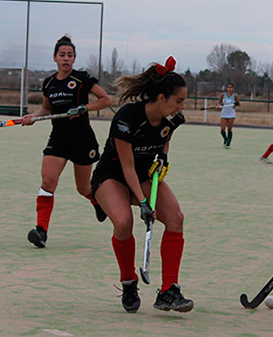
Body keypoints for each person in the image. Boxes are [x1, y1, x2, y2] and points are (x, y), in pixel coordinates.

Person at [90, 56, 194, 313]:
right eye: (178, 101)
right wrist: (144, 203)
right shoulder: (127, 118)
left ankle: (168, 290)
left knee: (176, 218)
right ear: (161, 98)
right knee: (124, 222)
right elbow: (126, 167)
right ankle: (128, 281)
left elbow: (164, 139)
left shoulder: (172, 119)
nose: (182, 106)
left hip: (144, 175)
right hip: (112, 176)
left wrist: (163, 157)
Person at [21, 35, 112, 248]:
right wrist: (32, 117)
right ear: (54, 58)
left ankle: (97, 201)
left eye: (70, 55)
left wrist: (83, 108)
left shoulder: (82, 79)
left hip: (82, 140)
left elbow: (106, 100)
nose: (66, 58)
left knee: (83, 188)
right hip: (59, 139)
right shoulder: (50, 83)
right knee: (48, 182)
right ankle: (41, 231)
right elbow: (46, 108)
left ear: (74, 58)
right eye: (62, 55)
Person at [216, 83, 240, 149]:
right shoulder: (223, 95)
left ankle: (228, 142)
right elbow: (219, 102)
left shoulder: (235, 96)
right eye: (228, 87)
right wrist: (218, 106)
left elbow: (239, 104)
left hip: (231, 114)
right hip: (224, 113)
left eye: (231, 87)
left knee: (229, 128)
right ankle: (225, 139)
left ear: (233, 88)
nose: (229, 89)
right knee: (222, 129)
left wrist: (235, 104)